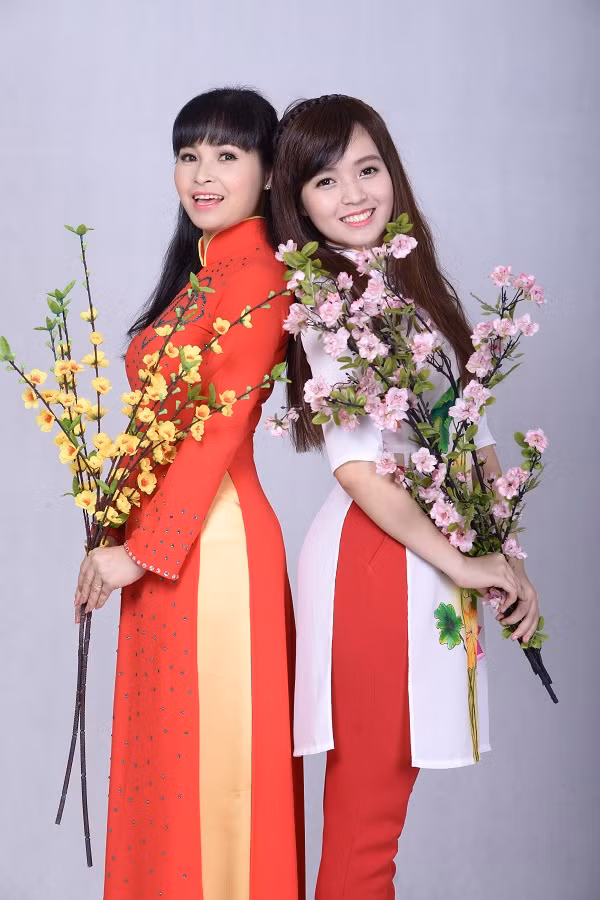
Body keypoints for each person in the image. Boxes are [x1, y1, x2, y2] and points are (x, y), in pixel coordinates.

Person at [268, 94, 539, 899]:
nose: (354, 194)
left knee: (375, 829)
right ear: (299, 203)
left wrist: (507, 562)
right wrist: (467, 561)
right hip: (377, 560)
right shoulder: (330, 306)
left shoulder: (408, 289)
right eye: (326, 180)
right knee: (366, 831)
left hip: (424, 556)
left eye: (368, 168)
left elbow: (471, 434)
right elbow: (358, 470)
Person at [74, 87, 304, 900]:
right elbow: (161, 428)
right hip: (165, 546)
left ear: (268, 172)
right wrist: (111, 531)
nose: (202, 174)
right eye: (188, 155)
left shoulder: (260, 275)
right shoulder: (206, 275)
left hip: (214, 549)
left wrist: (141, 552)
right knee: (166, 772)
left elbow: (220, 429)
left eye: (226, 156)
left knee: (214, 780)